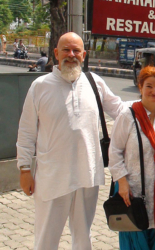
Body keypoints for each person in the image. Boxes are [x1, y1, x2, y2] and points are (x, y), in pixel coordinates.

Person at [16, 32, 126, 250]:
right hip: (52, 176)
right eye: (66, 50)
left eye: (76, 50)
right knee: (46, 237)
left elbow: (121, 110)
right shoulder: (40, 86)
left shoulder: (95, 83)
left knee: (83, 237)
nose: (71, 55)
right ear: (56, 53)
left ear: (84, 55)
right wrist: (24, 169)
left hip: (87, 174)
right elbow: (27, 131)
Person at [109, 66, 155, 249]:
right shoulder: (128, 115)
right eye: (149, 86)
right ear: (140, 87)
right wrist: (122, 183)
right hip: (133, 193)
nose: (154, 91)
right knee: (135, 242)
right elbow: (114, 151)